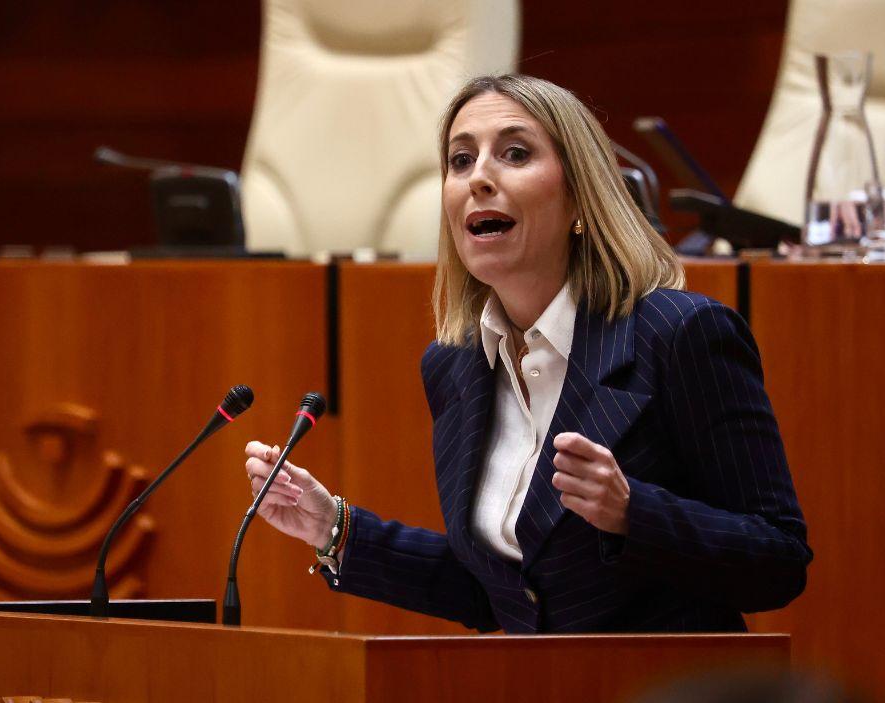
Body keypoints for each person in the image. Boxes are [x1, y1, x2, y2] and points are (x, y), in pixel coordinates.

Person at [242, 74, 812, 634]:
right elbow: (506, 593)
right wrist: (335, 530)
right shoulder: (454, 366)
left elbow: (778, 561)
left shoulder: (680, 335)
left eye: (514, 153)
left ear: (580, 200)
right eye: (460, 160)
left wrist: (633, 512)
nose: (478, 178)